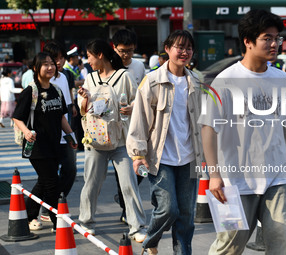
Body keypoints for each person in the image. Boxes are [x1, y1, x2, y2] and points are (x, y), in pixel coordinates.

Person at [198, 9, 286, 255]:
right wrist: (214, 175)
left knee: (281, 242)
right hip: (234, 181)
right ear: (248, 42)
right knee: (229, 247)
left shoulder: (282, 79)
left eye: (277, 38)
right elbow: (208, 129)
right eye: (267, 38)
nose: (275, 44)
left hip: (275, 177)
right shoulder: (224, 81)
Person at [127, 30, 204, 255]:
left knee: (187, 216)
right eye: (179, 47)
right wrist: (137, 153)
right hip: (161, 158)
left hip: (189, 158)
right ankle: (150, 241)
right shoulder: (152, 82)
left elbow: (204, 123)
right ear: (168, 49)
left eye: (188, 48)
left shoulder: (197, 82)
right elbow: (139, 118)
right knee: (168, 209)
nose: (184, 52)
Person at [77, 39, 147, 240]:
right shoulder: (89, 78)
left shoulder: (124, 76)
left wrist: (132, 107)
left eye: (89, 56)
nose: (87, 60)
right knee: (91, 183)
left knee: (128, 184)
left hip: (121, 140)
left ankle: (136, 227)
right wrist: (85, 97)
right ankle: (86, 222)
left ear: (100, 55)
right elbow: (83, 110)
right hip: (95, 140)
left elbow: (139, 101)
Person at [12, 52, 76, 232]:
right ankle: (58, 223)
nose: (50, 67)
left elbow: (62, 117)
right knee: (52, 183)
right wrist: (26, 132)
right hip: (37, 146)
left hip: (55, 144)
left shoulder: (56, 90)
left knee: (43, 182)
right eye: (45, 64)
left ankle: (27, 215)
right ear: (35, 68)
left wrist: (71, 136)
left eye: (51, 64)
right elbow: (17, 117)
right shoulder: (31, 91)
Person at [112, 28, 146, 224]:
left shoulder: (139, 67)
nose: (126, 55)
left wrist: (134, 107)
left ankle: (124, 200)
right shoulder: (107, 64)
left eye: (130, 51)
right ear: (114, 48)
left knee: (141, 168)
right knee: (121, 172)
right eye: (122, 51)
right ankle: (126, 209)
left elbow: (142, 94)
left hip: (134, 125)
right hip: (113, 127)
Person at [64, 46, 85, 150]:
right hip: (70, 99)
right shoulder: (66, 69)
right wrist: (79, 83)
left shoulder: (76, 68)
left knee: (79, 122)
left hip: (78, 97)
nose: (78, 59)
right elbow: (74, 83)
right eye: (77, 57)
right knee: (72, 123)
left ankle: (79, 143)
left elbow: (81, 80)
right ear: (71, 58)